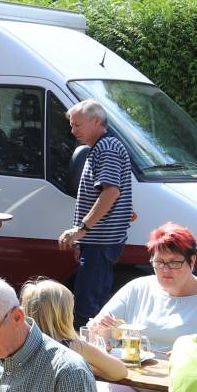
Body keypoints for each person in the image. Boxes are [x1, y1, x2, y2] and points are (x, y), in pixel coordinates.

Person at [89, 222, 197, 392]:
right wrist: (103, 328)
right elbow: (96, 331)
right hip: (133, 379)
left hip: (180, 384)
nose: (165, 269)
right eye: (159, 262)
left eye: (174, 262)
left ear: (192, 261)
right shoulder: (138, 288)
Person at [59, 99, 134, 327]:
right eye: (72, 125)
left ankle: (88, 359)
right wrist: (84, 239)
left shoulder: (107, 148)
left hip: (101, 242)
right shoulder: (102, 147)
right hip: (98, 242)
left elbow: (111, 192)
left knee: (87, 312)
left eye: (77, 125)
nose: (73, 131)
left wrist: (82, 230)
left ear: (96, 121)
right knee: (91, 306)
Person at [19, 279, 130, 385]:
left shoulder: (20, 344)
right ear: (65, 315)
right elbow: (121, 372)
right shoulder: (73, 346)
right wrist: (93, 369)